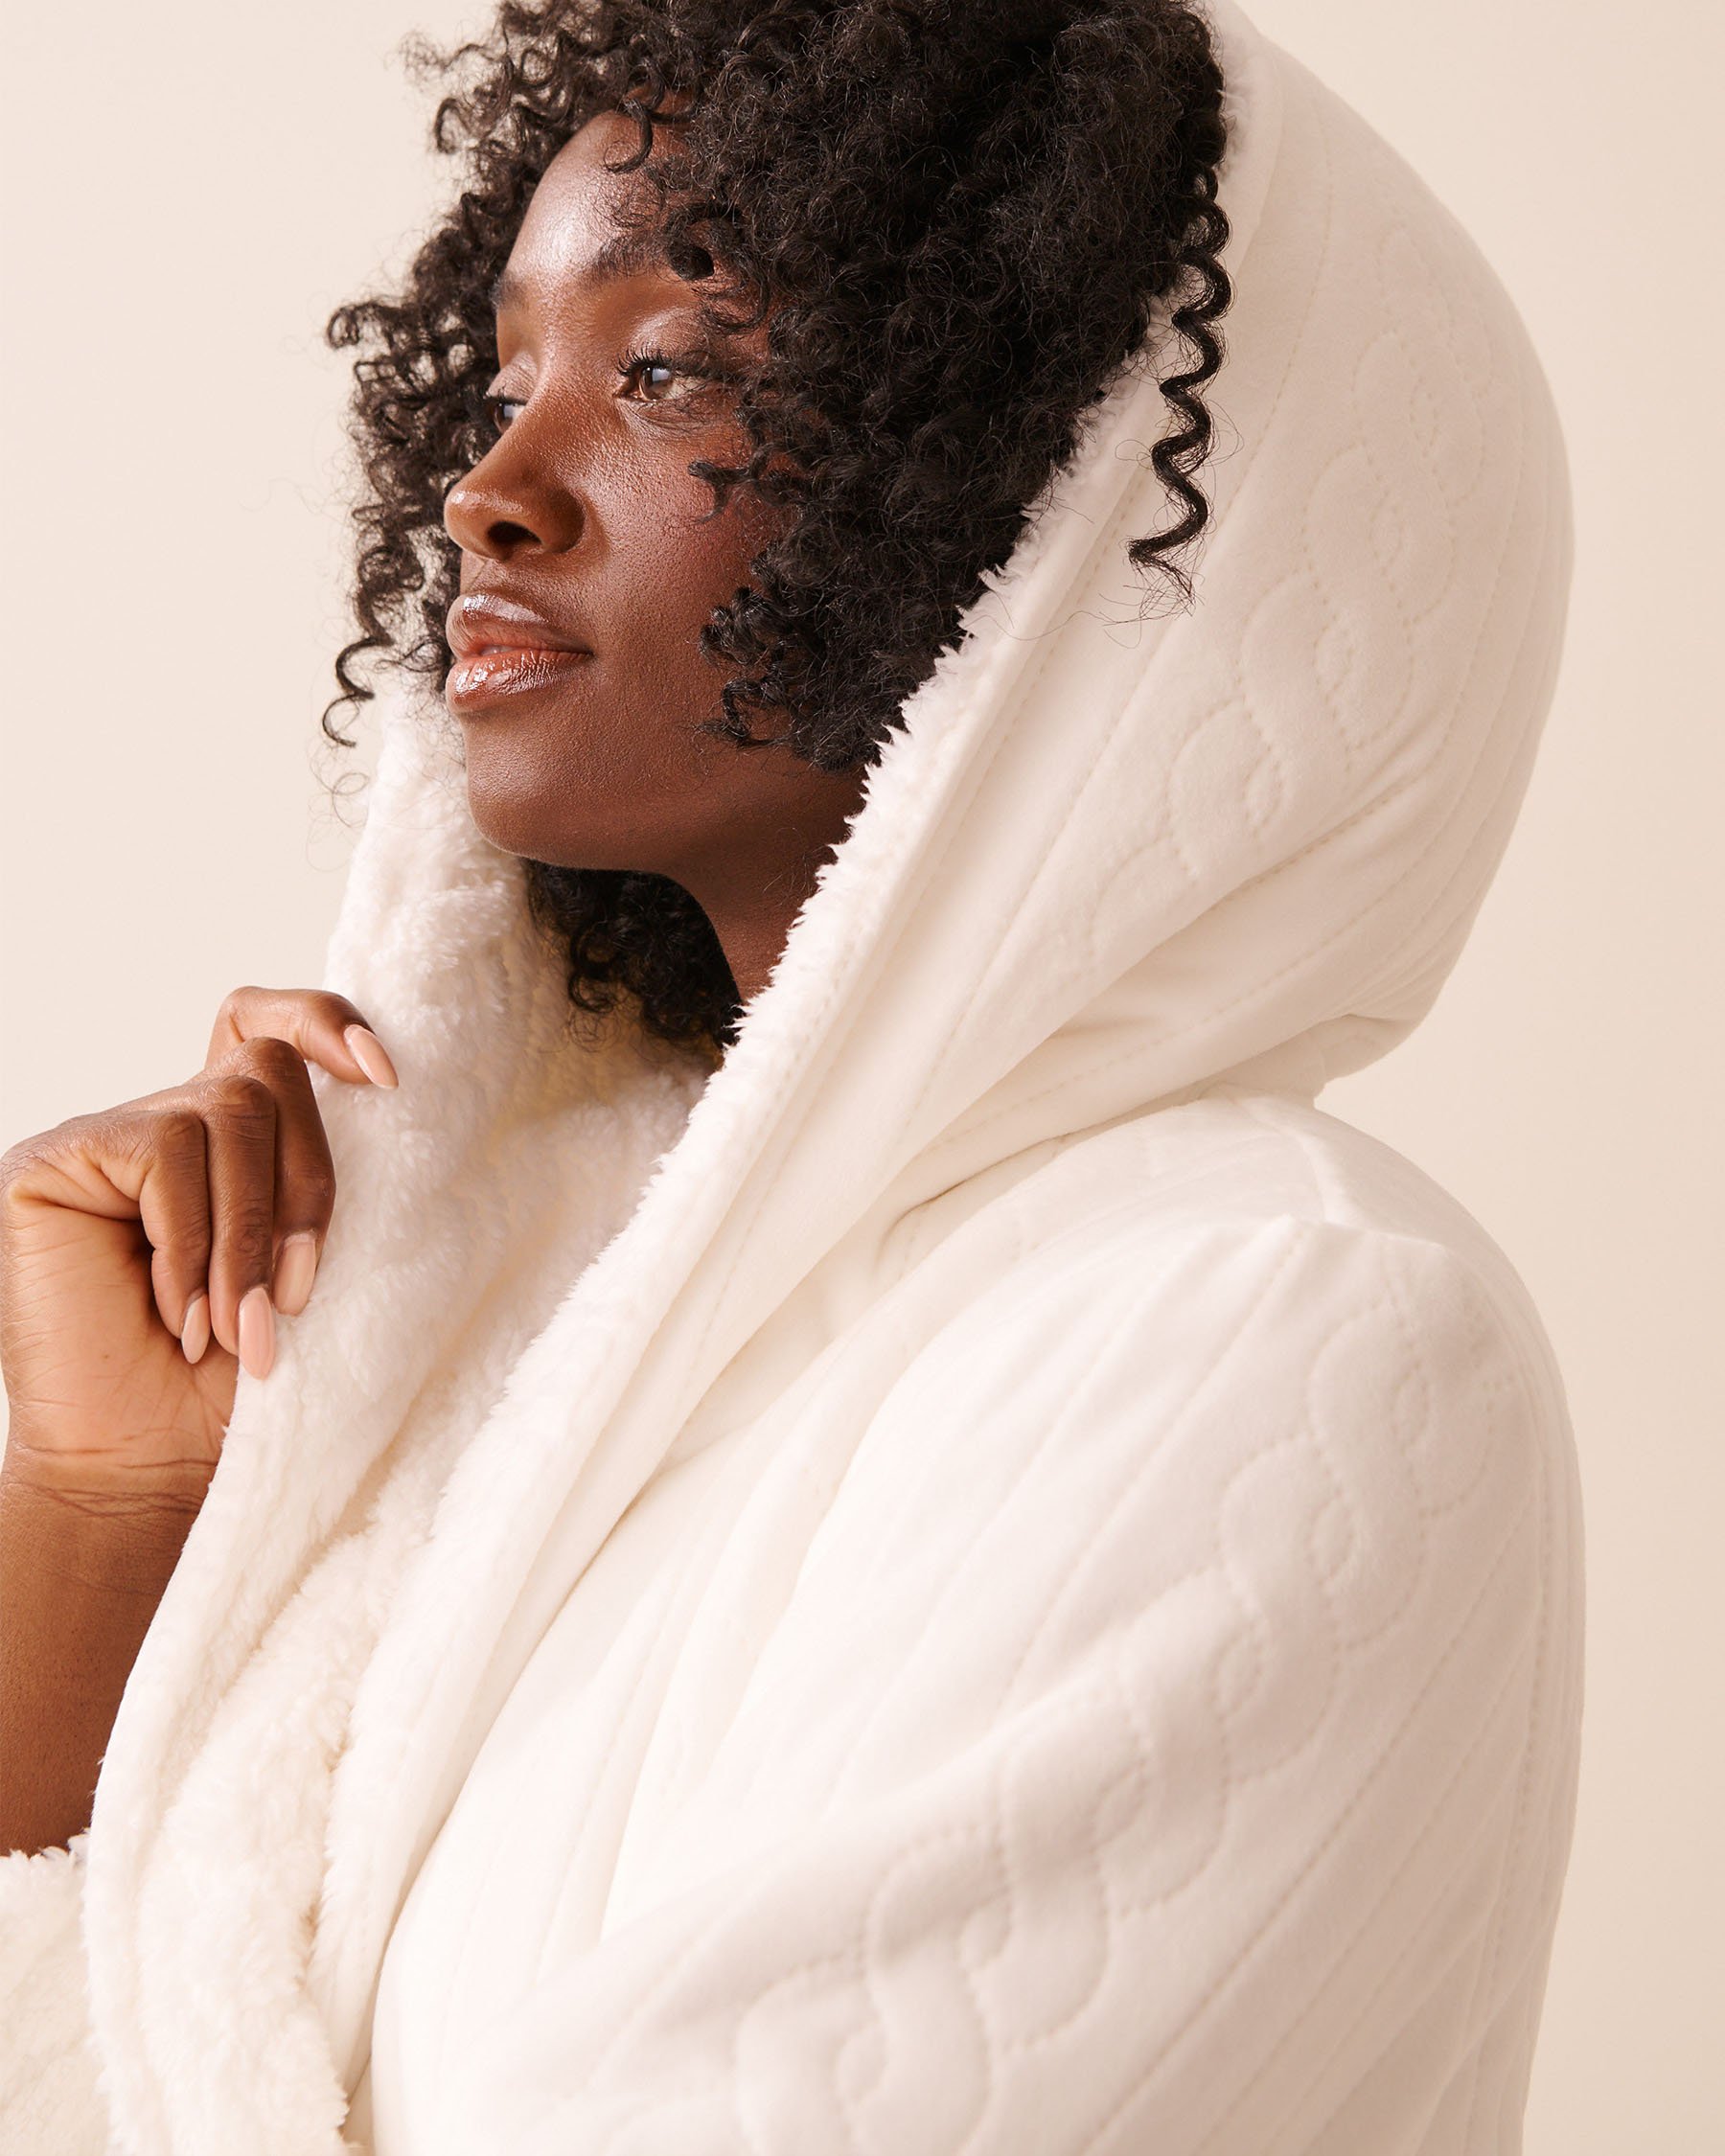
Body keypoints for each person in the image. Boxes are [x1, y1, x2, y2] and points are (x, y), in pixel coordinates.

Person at [0, 2, 1584, 2150]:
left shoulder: (1273, 1316)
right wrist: (113, 1511)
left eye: (668, 371)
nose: (489, 492)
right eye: (505, 379)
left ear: (1046, 477)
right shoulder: (520, 1322)